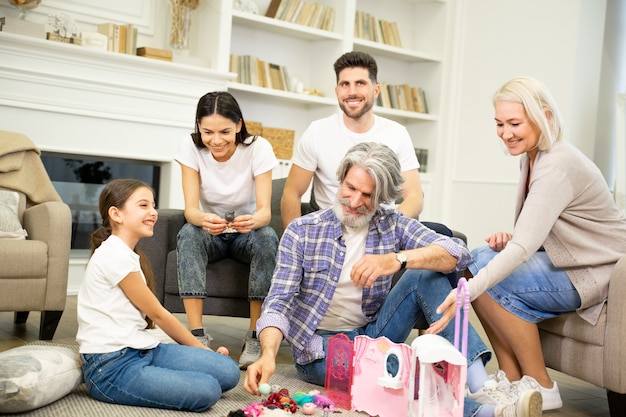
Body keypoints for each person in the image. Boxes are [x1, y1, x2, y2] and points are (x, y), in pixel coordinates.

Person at [245, 142, 543, 417]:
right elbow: (278, 303)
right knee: (399, 375)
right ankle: (488, 413)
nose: (354, 201)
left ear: (382, 199)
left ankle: (483, 386)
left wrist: (397, 259)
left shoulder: (390, 223)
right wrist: (268, 353)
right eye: (350, 188)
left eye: (368, 195)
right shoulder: (302, 231)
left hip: (376, 333)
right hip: (322, 349)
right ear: (341, 180)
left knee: (425, 273)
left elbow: (458, 252)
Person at [431, 76, 626, 411]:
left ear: (545, 117)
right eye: (499, 124)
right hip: (569, 261)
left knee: (482, 274)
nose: (506, 133)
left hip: (596, 271)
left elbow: (523, 249)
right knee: (478, 258)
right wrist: (510, 239)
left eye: (515, 123)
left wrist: (469, 289)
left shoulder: (558, 164)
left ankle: (542, 385)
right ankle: (512, 377)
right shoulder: (531, 157)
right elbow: (538, 232)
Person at [76, 178, 239, 412]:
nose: (153, 212)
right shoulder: (113, 255)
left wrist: (207, 358)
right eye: (143, 206)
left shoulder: (127, 254)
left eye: (153, 206)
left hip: (143, 348)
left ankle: (164, 376)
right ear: (116, 214)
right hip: (111, 367)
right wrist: (202, 352)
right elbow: (160, 315)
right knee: (208, 390)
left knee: (228, 371)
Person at [280, 51, 453, 238]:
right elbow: (292, 193)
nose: (352, 91)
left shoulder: (397, 133)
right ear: (337, 91)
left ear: (376, 90)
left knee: (442, 234)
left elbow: (414, 197)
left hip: (379, 229)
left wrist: (387, 228)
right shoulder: (317, 131)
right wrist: (295, 243)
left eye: (360, 83)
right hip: (331, 231)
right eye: (345, 84)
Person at [175, 91, 279, 369]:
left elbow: (265, 213)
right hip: (212, 233)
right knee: (187, 233)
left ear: (239, 125)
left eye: (225, 131)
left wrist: (253, 221)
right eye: (208, 131)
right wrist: (202, 220)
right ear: (198, 126)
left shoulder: (259, 148)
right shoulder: (190, 146)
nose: (216, 140)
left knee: (267, 237)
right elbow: (190, 210)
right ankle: (197, 336)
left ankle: (255, 335)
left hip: (247, 234)